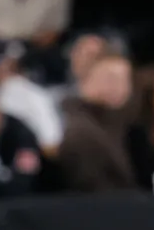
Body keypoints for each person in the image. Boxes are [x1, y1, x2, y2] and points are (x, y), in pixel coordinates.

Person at [58, 52, 136, 192]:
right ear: (85, 81)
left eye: (125, 79)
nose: (119, 87)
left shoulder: (124, 124)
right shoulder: (80, 131)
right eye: (110, 79)